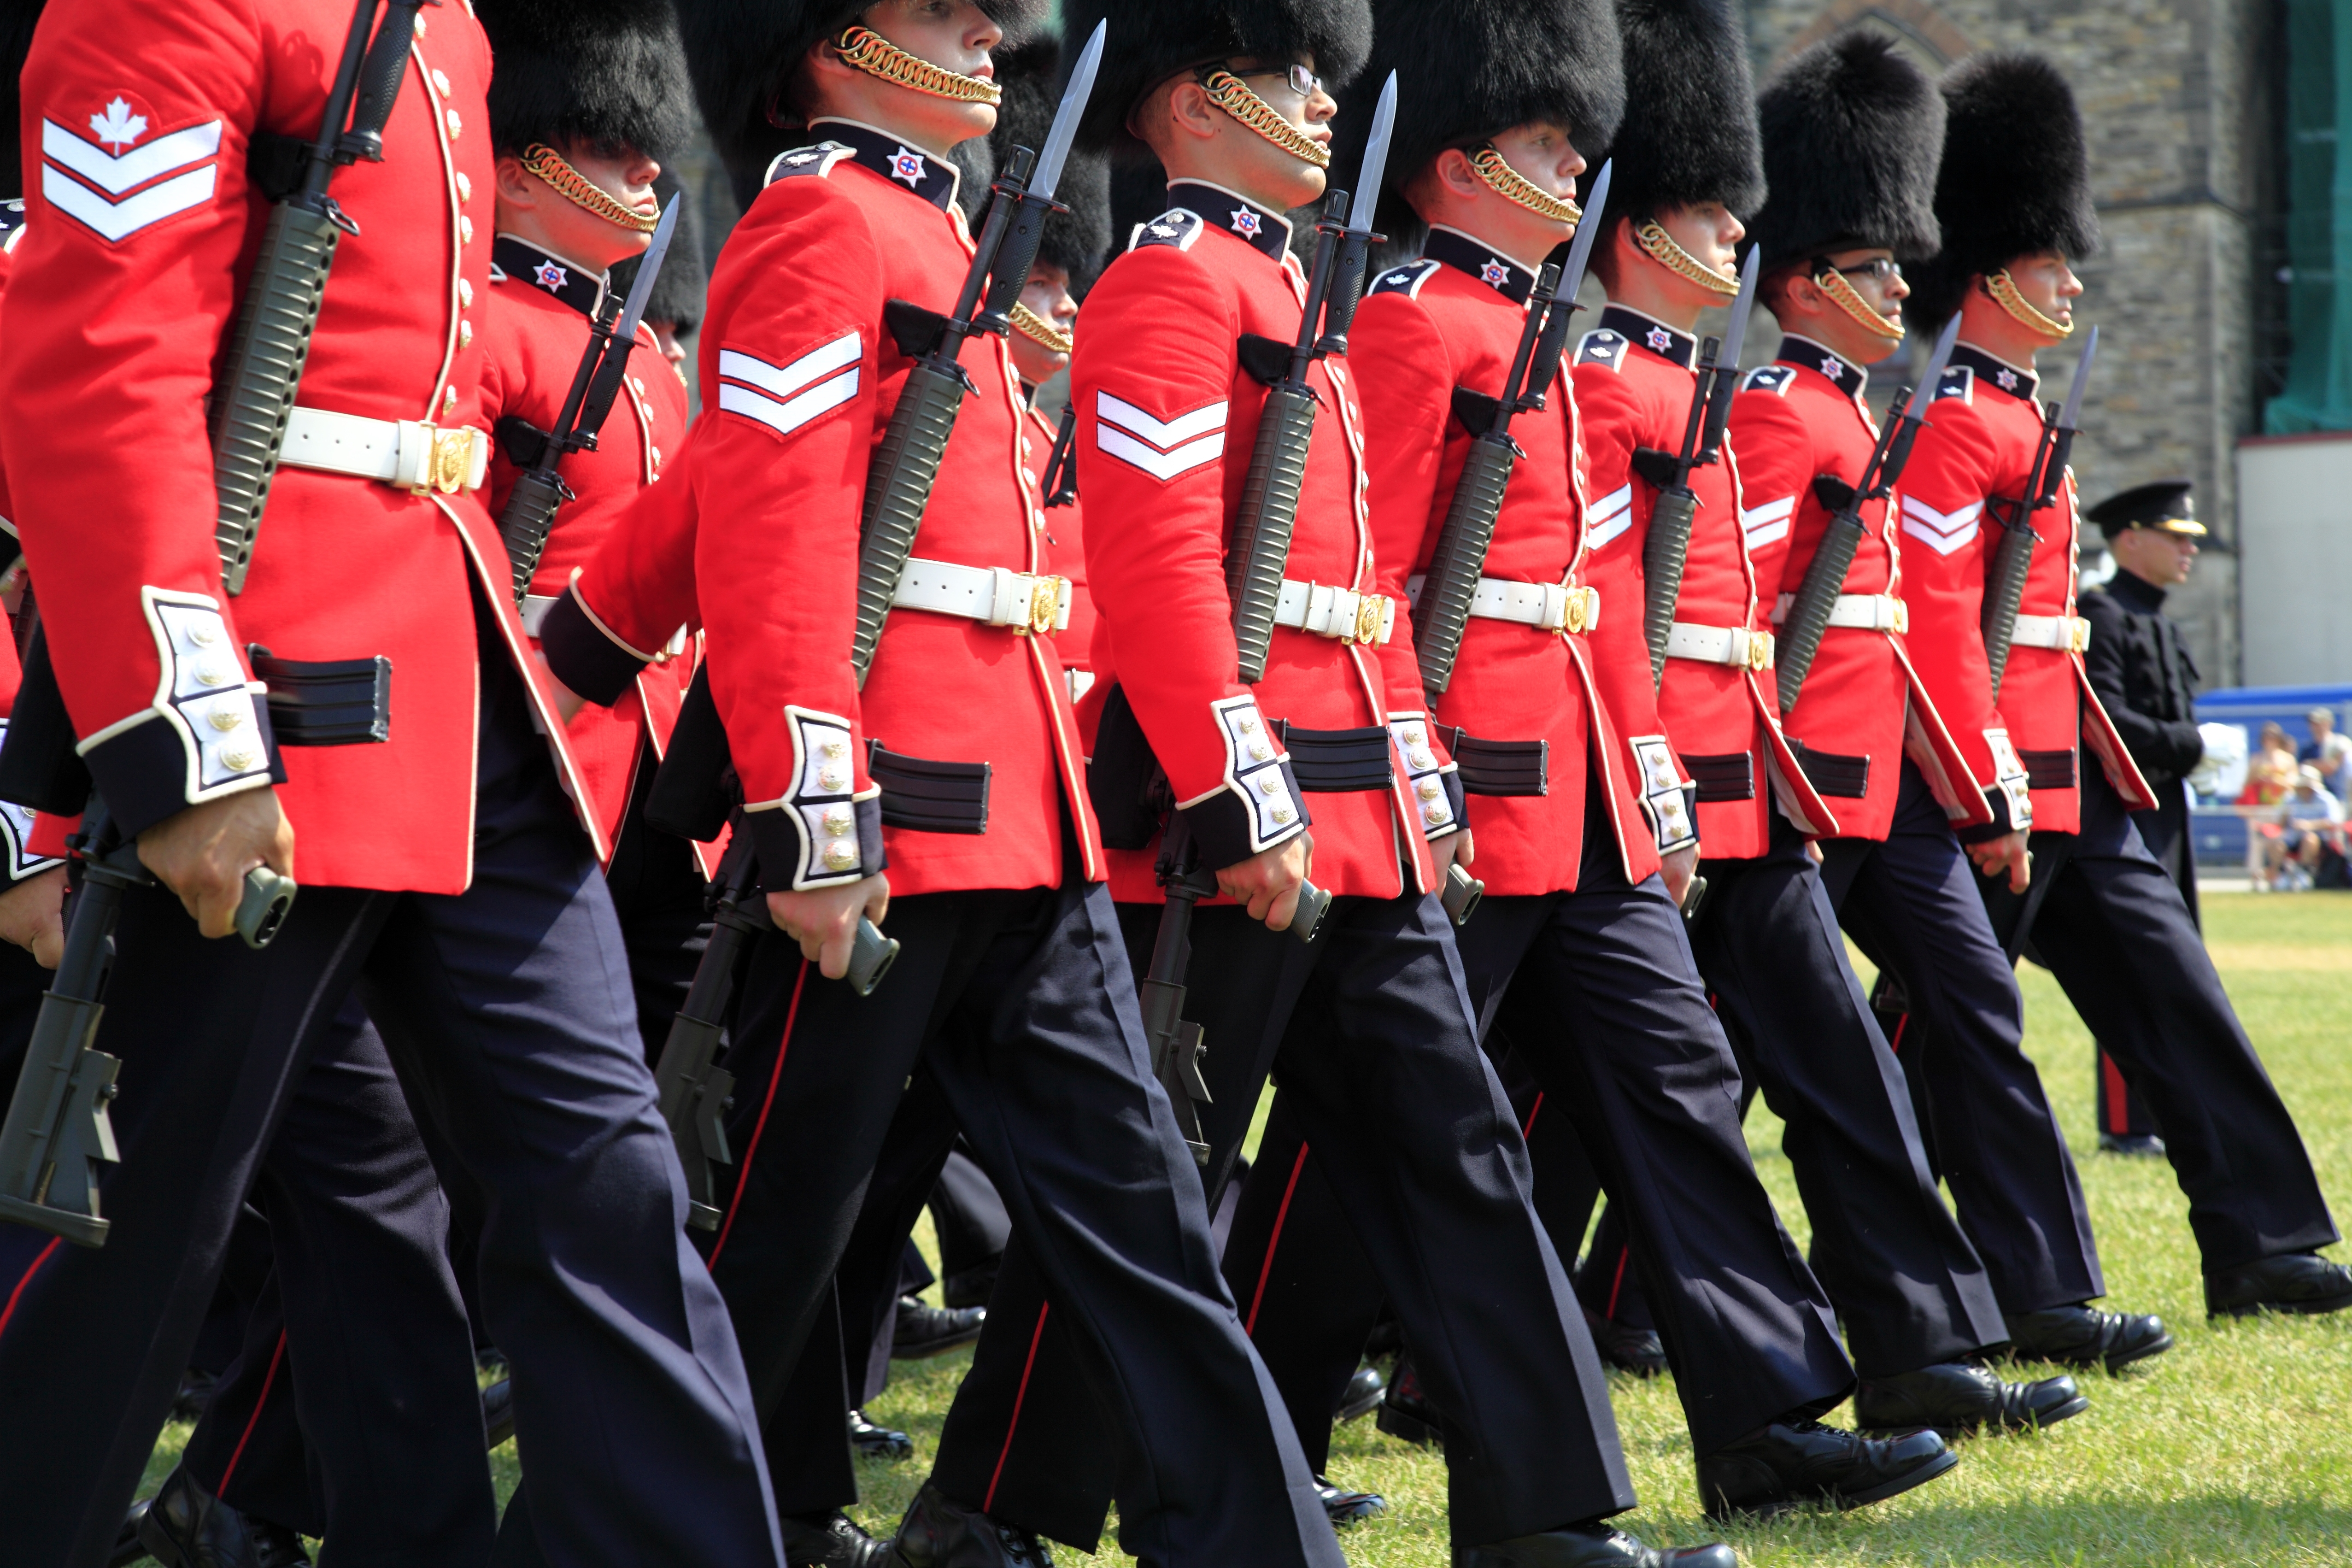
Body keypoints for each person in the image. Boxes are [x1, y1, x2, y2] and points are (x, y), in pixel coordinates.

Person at [903, 1, 1745, 1562]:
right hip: (1246, 804)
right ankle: (990, 1502)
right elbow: (1162, 565)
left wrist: (1412, 765)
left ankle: (1540, 1516)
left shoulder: (1295, 277)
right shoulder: (1167, 281)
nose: (1320, 97)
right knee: (1160, 1177)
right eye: (1286, 75)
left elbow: (1368, 588)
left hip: (1360, 788)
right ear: (1191, 102)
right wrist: (1235, 780)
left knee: (1458, 1146)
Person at [535, 1, 1353, 1565]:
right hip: (890, 814)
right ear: (836, 38)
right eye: (944, 16)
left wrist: (584, 638)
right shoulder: (817, 221)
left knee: (1140, 1218)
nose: (989, 35)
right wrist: (806, 791)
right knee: (773, 1228)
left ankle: (1256, 1542)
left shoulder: (926, 226)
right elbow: (772, 517)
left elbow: (729, 478)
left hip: (1019, 801)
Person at [0, 3, 787, 1567]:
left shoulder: (452, 33)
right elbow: (103, 362)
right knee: (123, 1239)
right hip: (266, 686)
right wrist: (184, 729)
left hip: (455, 678)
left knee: (604, 1185)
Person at [1223, 0, 1967, 1523]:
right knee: (1376, 1129)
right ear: (1450, 160)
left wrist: (1648, 776)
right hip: (1472, 786)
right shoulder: (1408, 320)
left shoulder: (1544, 337)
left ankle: (1765, 1416)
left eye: (1577, 142)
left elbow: (1602, 596)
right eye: (1547, 142)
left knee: (1682, 1089)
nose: (1578, 166)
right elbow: (1374, 577)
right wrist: (1410, 770)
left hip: (1590, 792)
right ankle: (1267, 1419)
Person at [1573, 23, 2086, 1441]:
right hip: (1712, 778)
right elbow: (1672, 613)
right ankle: (1455, 1351)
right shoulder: (1757, 412)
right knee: (1578, 1093)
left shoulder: (1832, 413)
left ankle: (1924, 1342)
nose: (1898, 287)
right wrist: (1678, 777)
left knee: (1825, 1071)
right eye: (1872, 267)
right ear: (1805, 282)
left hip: (1783, 782)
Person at [1900, 48, 2352, 1322]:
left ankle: (2263, 1239)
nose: (2072, 278)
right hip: (1982, 780)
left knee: (2177, 996)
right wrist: (1981, 774)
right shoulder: (1945, 425)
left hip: (2069, 776)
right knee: (1908, 1046)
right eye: (2050, 262)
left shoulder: (2022, 416)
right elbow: (1941, 623)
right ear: (1988, 274)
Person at [2079, 478, 2206, 1147]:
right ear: (2132, 538)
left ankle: (2159, 1113)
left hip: (2167, 811)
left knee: (2171, 963)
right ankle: (2127, 1124)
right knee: (2132, 965)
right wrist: (2192, 745)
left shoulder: (2157, 616)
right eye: (2176, 536)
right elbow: (2107, 718)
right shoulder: (2102, 613)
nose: (2188, 549)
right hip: (2123, 812)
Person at [2301, 707, 2352, 799]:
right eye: (2312, 723)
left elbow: (2331, 767)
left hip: (2338, 795)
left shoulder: (2339, 743)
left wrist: (2310, 764)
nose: (2315, 727)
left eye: (2318, 723)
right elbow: (2301, 770)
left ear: (2329, 724)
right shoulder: (2307, 749)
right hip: (2313, 799)